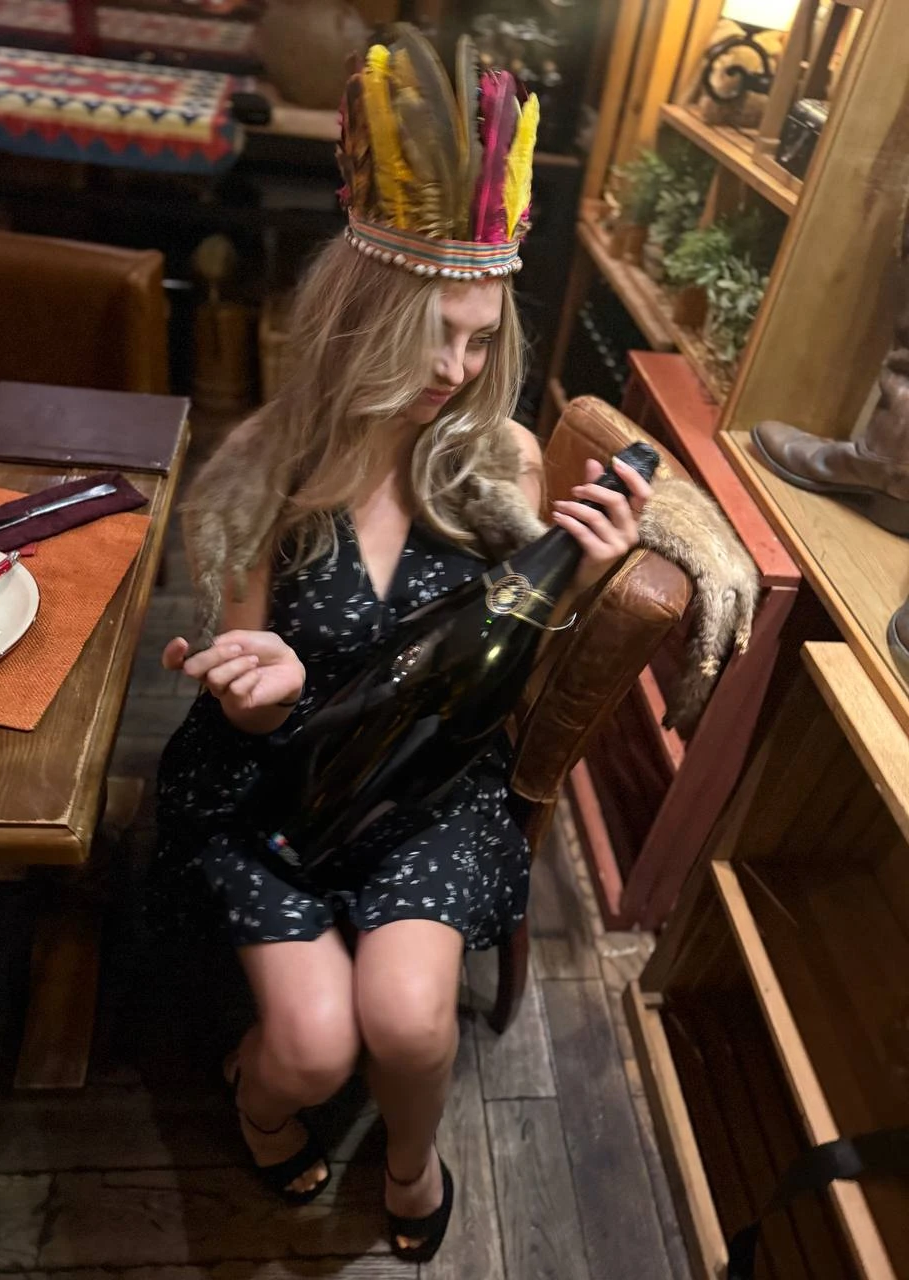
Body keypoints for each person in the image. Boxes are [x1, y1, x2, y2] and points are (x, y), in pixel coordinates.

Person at [148, 26, 652, 1264]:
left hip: (430, 786)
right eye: (432, 333)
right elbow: (245, 681)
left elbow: (507, 674)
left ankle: (413, 1159)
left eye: (481, 338)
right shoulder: (265, 470)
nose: (457, 368)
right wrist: (260, 686)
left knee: (413, 1024)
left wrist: (585, 576)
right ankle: (261, 1102)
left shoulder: (499, 459)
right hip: (280, 782)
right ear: (357, 313)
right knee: (313, 1046)